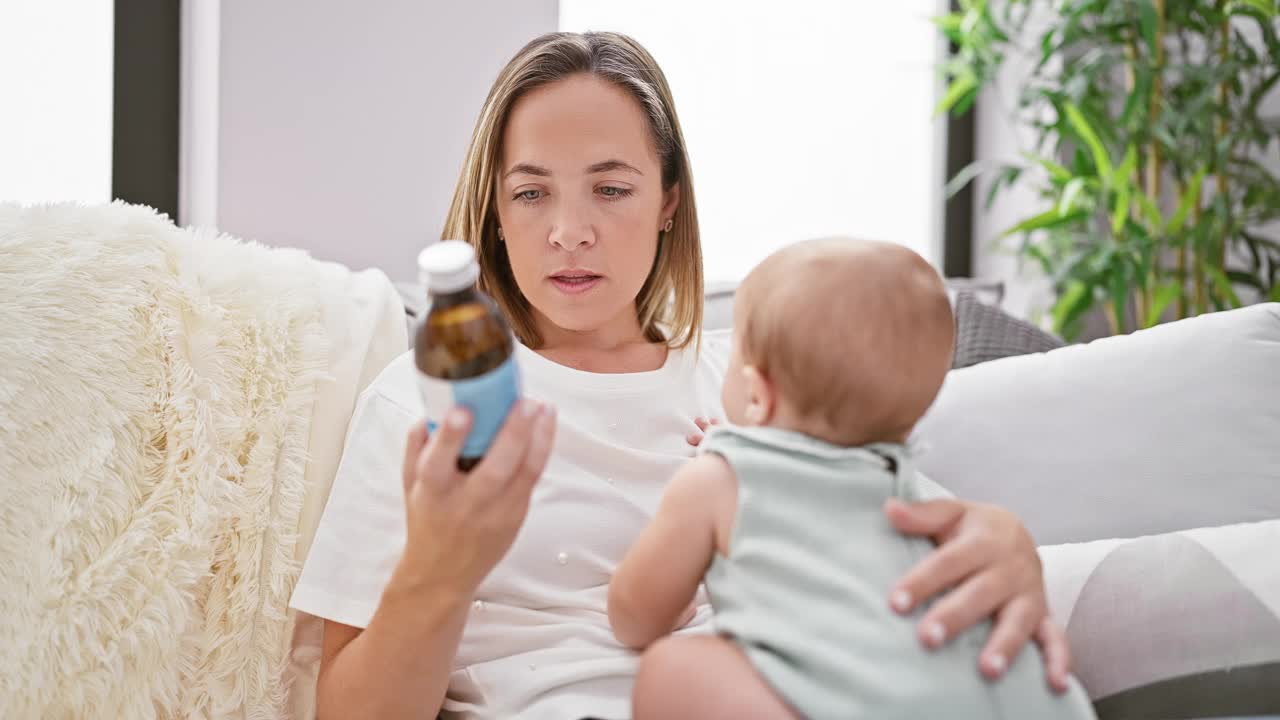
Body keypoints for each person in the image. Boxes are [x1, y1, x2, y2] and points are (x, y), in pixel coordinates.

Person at [290, 32, 1074, 720]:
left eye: (611, 188)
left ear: (668, 199)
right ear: (495, 210)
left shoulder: (751, 379)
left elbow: (879, 518)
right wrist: (440, 570)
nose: (570, 232)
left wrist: (1005, 541)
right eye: (531, 192)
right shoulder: (424, 404)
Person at [609, 238, 1095, 720]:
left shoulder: (717, 479)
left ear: (757, 396)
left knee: (670, 670)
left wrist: (672, 602)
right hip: (1018, 695)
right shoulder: (910, 490)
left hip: (865, 701)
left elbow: (635, 618)